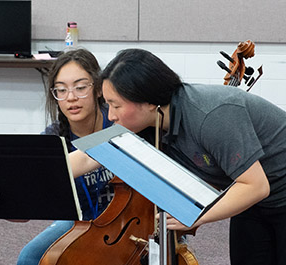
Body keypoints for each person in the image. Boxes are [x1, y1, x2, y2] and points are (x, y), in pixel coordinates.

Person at [70, 48, 286, 265]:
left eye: (116, 105)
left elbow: (255, 186)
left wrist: (192, 216)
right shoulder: (148, 121)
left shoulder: (210, 115)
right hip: (255, 202)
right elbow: (88, 157)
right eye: (108, 105)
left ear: (148, 101)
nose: (111, 116)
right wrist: (43, 172)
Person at [16, 48, 114, 265]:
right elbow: (28, 192)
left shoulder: (117, 119)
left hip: (125, 218)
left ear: (98, 89)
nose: (71, 98)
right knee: (30, 257)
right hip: (79, 220)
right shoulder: (53, 138)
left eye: (80, 88)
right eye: (61, 90)